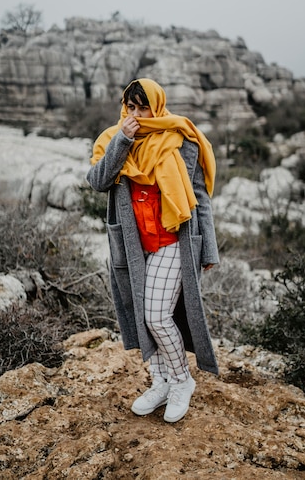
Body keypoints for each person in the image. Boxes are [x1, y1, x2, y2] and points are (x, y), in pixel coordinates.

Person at [86, 78, 219, 423]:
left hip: (173, 242)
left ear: (157, 106)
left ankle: (181, 380)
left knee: (156, 316)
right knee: (143, 318)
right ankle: (160, 381)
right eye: (130, 106)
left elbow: (201, 199)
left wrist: (209, 250)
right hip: (133, 246)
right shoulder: (114, 140)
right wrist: (124, 140)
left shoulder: (180, 140)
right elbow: (98, 181)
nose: (136, 114)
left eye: (143, 107)